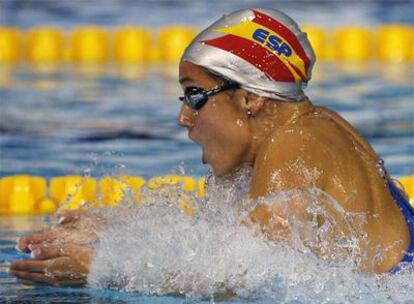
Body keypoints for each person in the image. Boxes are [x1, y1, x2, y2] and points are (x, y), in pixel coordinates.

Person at [9, 8, 413, 286]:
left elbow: (248, 282)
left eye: (196, 95)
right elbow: (233, 251)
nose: (184, 118)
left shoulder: (294, 144)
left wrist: (103, 267)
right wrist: (115, 234)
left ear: (251, 98)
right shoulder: (317, 126)